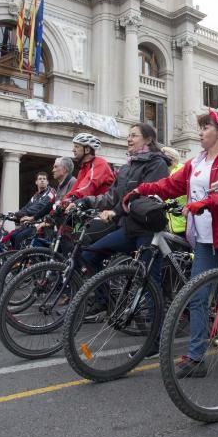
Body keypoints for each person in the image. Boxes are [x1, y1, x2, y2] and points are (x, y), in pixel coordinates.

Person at [132, 110, 218, 381]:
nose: (200, 133)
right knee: (196, 297)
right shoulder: (195, 161)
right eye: (200, 128)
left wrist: (205, 203)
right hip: (204, 241)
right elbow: (170, 184)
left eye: (205, 128)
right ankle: (196, 357)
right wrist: (142, 189)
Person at [76, 123, 170, 355]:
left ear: (147, 139)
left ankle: (156, 342)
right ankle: (111, 304)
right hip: (128, 228)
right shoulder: (128, 165)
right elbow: (112, 195)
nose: (128, 138)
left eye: (134, 135)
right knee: (89, 254)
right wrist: (87, 201)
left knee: (150, 284)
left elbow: (144, 195)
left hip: (148, 230)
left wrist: (117, 211)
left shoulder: (157, 163)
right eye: (128, 135)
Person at [62, 133, 115, 205]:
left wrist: (73, 198)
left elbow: (89, 184)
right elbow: (75, 188)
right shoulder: (83, 169)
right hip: (90, 207)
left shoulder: (100, 163)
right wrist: (62, 202)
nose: (73, 150)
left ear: (87, 150)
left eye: (76, 147)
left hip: (104, 208)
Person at [10, 172, 57, 248]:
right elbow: (27, 207)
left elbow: (39, 207)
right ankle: (16, 258)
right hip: (32, 223)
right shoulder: (35, 196)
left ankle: (20, 259)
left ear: (47, 182)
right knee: (13, 236)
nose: (42, 180)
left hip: (43, 225)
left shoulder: (51, 192)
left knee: (19, 237)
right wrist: (16, 214)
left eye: (44, 179)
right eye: (40, 179)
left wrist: (22, 214)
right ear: (36, 182)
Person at [158, 146, 187, 235]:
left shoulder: (179, 172)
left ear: (171, 159)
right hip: (176, 224)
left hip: (183, 223)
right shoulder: (169, 173)